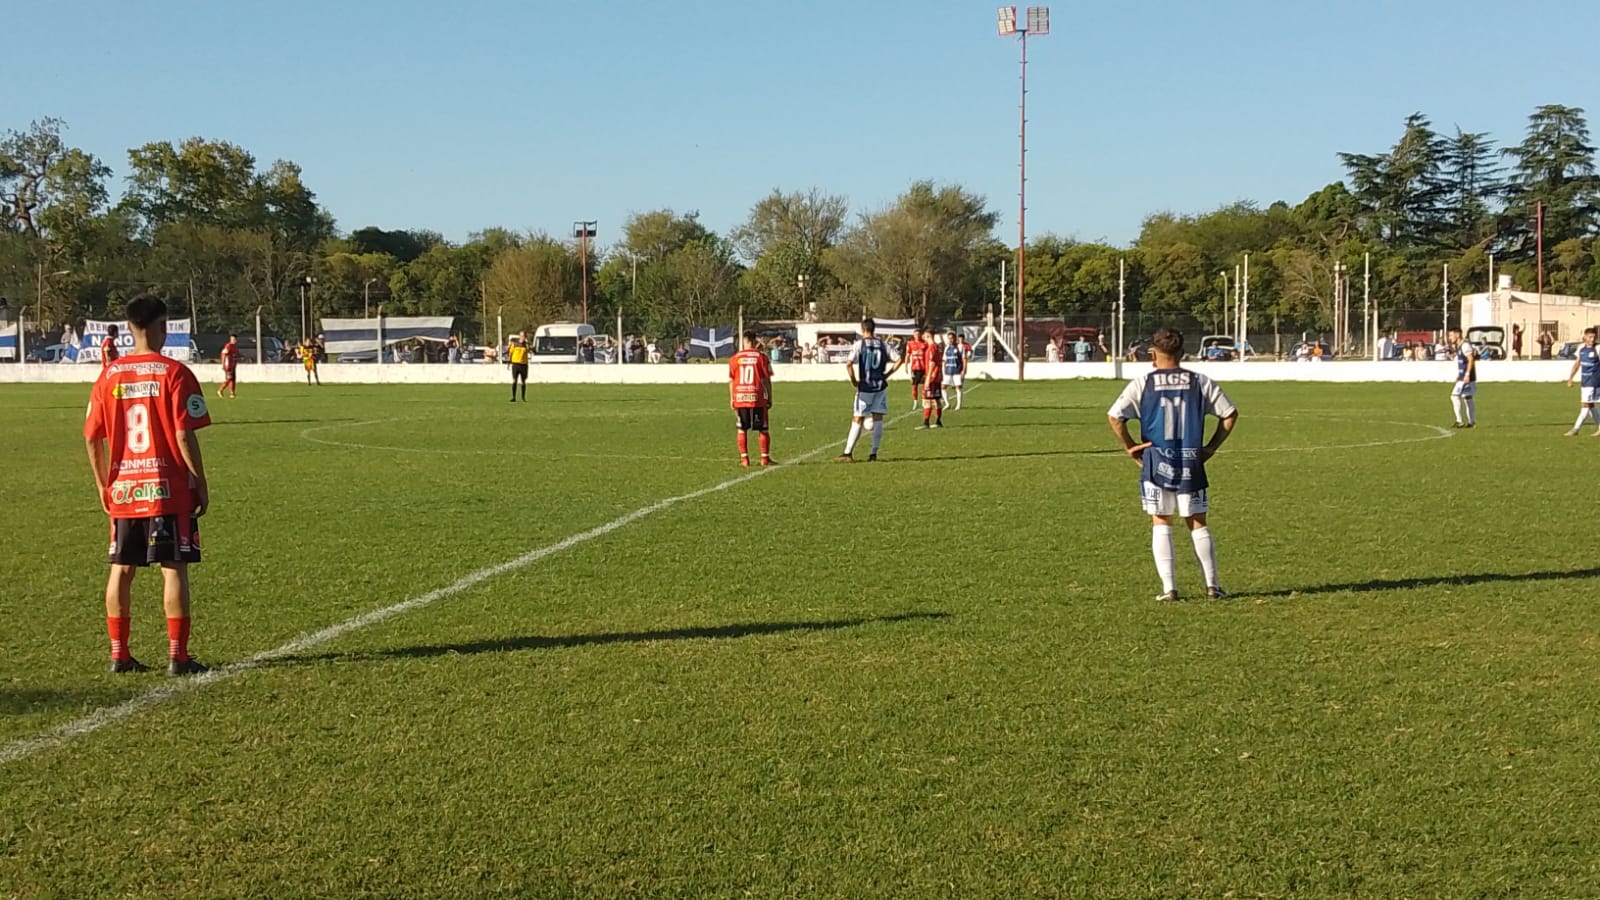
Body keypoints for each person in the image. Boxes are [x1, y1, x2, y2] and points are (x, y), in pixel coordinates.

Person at [82, 295, 211, 676]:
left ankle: (119, 654)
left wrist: (103, 485)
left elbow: (91, 437)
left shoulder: (109, 375)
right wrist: (200, 482)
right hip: (168, 488)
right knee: (173, 568)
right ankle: (178, 657)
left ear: (129, 328)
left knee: (121, 569)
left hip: (125, 488)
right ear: (162, 327)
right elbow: (183, 434)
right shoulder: (175, 373)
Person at [1107, 328, 1238, 603]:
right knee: (1197, 522)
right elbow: (1229, 414)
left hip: (1156, 461)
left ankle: (1169, 589)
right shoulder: (1200, 381)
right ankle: (1212, 586)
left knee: (1161, 521)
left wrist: (1130, 446)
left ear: (1153, 353)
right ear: (1182, 353)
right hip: (1190, 460)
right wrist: (1211, 447)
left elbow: (1115, 417)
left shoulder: (1143, 383)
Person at [837, 317, 905, 462]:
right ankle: (873, 453)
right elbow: (900, 359)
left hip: (866, 387)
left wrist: (854, 381)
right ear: (874, 329)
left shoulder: (859, 344)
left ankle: (848, 453)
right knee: (878, 418)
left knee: (858, 418)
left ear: (863, 329)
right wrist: (887, 374)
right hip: (880, 386)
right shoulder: (883, 344)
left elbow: (849, 364)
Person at [729, 332, 775, 466]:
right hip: (757, 397)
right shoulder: (762, 357)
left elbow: (732, 380)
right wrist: (769, 397)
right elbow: (766, 380)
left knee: (742, 428)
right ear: (754, 341)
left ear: (744, 342)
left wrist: (732, 399)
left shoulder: (735, 358)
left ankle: (744, 459)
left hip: (740, 397)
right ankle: (764, 459)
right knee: (763, 429)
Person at [1564, 327, 1600, 436]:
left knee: (1585, 406)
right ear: (1585, 337)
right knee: (1590, 406)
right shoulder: (1581, 349)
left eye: (1594, 337)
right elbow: (1577, 364)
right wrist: (1570, 378)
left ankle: (1575, 429)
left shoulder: (1598, 348)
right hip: (1585, 382)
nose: (1592, 339)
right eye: (1590, 337)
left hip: (1594, 382)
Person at [1448, 327, 1478, 428]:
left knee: (1454, 396)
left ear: (1457, 334)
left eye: (1451, 335)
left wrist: (1467, 374)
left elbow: (1471, 359)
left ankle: (1459, 421)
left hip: (1466, 377)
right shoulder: (1460, 345)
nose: (1450, 338)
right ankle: (1471, 422)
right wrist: (1459, 374)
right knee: (1467, 398)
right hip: (1464, 376)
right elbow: (1463, 362)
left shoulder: (1465, 345)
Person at [918, 336, 945, 429]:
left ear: (928, 336)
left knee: (928, 400)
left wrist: (928, 378)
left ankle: (926, 423)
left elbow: (932, 363)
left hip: (932, 378)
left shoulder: (931, 348)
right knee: (936, 399)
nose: (923, 337)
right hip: (937, 377)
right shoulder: (937, 347)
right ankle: (938, 421)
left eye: (924, 335)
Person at [942, 330, 968, 411]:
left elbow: (964, 359)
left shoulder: (960, 347)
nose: (951, 340)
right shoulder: (947, 347)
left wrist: (964, 370)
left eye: (952, 338)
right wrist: (943, 370)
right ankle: (947, 404)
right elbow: (945, 360)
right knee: (943, 387)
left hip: (957, 370)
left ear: (955, 338)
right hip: (948, 370)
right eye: (949, 338)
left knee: (958, 387)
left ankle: (958, 405)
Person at [905, 329, 928, 410]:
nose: (917, 336)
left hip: (923, 368)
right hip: (914, 368)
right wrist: (906, 366)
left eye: (918, 334)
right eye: (916, 334)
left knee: (924, 386)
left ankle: (923, 401)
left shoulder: (925, 344)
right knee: (914, 386)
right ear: (913, 335)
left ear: (921, 335)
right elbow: (907, 355)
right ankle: (915, 402)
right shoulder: (910, 343)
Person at [506, 331, 529, 401]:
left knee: (523, 381)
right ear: (519, 336)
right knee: (514, 380)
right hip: (515, 364)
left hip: (524, 364)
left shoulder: (526, 344)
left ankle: (523, 397)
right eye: (521, 336)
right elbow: (510, 353)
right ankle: (513, 397)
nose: (523, 337)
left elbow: (529, 350)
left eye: (524, 336)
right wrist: (509, 362)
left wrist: (527, 344)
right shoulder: (514, 344)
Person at [218, 334, 239, 398]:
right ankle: (220, 390)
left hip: (233, 365)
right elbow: (223, 354)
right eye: (233, 339)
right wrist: (223, 364)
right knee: (229, 378)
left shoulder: (235, 346)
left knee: (233, 379)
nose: (234, 340)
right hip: (228, 365)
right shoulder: (228, 346)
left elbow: (235, 355)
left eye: (235, 339)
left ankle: (232, 393)